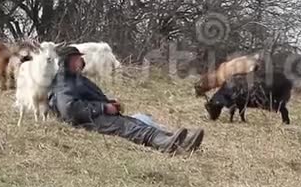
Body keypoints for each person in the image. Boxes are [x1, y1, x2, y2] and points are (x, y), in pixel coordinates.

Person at [48, 46, 204, 154]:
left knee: (137, 123)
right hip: (89, 122)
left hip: (96, 117)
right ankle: (167, 144)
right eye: (77, 59)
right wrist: (103, 108)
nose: (81, 62)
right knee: (131, 127)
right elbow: (68, 109)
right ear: (67, 61)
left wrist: (108, 103)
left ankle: (180, 142)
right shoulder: (63, 82)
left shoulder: (74, 79)